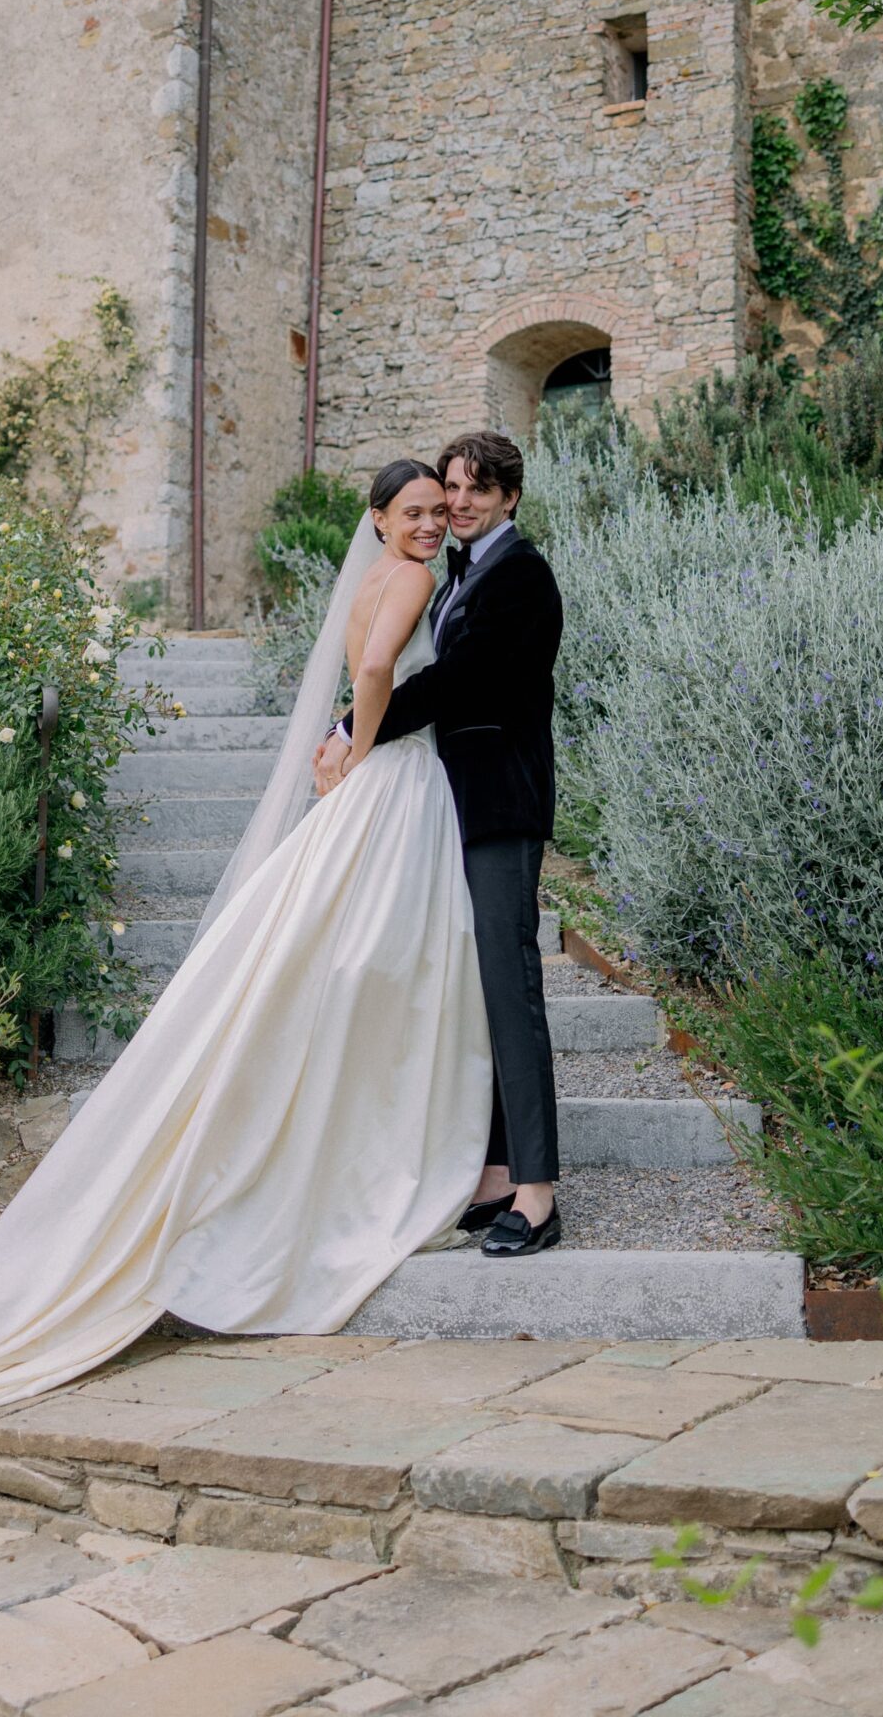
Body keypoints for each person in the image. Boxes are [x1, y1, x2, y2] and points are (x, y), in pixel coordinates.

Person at [0, 459, 492, 1583]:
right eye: (409, 511)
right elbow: (373, 665)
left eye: (431, 510)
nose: (424, 522)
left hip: (366, 776)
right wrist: (363, 747)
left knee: (336, 963)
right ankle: (374, 1150)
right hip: (393, 783)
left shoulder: (379, 572)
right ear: (379, 521)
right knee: (388, 963)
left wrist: (341, 743)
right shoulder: (409, 583)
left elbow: (356, 663)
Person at [316, 430, 563, 1255]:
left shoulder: (520, 574)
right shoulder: (457, 572)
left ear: (510, 498)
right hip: (445, 804)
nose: (459, 503)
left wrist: (354, 729)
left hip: (498, 807)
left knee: (509, 985)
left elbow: (461, 681)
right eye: (451, 488)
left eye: (477, 490)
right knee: (469, 988)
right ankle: (492, 1171)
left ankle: (536, 1191)